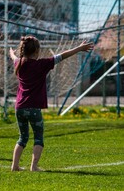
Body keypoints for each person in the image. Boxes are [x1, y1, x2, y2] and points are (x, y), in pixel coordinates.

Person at [9, 36, 93, 171]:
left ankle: (14, 166)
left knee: (22, 138)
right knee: (38, 137)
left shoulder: (18, 63)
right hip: (34, 109)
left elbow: (14, 57)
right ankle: (34, 166)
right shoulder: (42, 64)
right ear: (36, 51)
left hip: (19, 107)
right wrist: (79, 48)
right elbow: (62, 56)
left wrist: (11, 53)